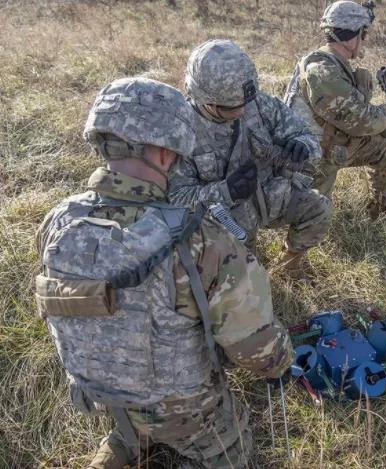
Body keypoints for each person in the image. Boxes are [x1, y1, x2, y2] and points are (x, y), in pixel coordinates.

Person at [35, 77, 293, 468]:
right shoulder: (202, 238)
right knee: (234, 450)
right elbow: (257, 353)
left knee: (129, 430)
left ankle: (128, 439)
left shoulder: (59, 221)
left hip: (102, 395)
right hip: (186, 412)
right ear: (164, 152)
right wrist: (283, 359)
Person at [169, 39, 332, 280]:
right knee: (243, 279)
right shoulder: (179, 130)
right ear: (204, 99)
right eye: (230, 108)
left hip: (270, 195)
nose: (242, 111)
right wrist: (224, 191)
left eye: (245, 103)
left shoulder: (259, 103)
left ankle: (289, 267)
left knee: (319, 208)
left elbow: (306, 136)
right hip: (223, 217)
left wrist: (303, 147)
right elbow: (176, 200)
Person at [284, 0, 386, 219]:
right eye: (363, 35)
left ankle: (381, 212)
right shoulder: (323, 71)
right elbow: (363, 121)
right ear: (353, 36)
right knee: (311, 219)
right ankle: (292, 249)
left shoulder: (331, 62)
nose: (364, 41)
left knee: (380, 146)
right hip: (310, 159)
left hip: (327, 145)